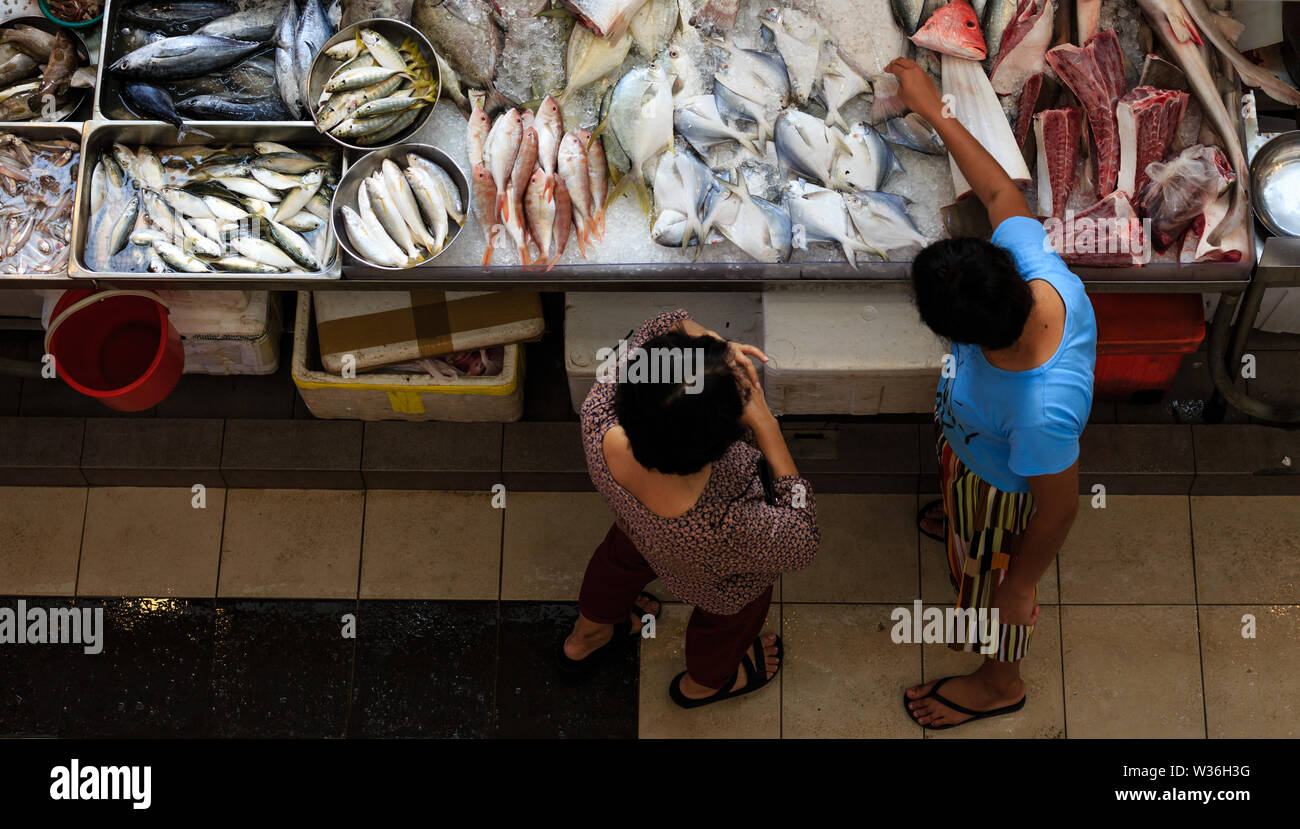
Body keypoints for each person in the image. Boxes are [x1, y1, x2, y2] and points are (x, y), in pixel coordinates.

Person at [886, 57, 1097, 729]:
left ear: (964, 339)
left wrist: (1022, 581)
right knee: (964, 517)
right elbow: (1002, 195)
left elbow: (1058, 511)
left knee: (991, 591)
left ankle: (999, 679)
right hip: (973, 451)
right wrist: (935, 110)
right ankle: (955, 518)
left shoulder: (1040, 412)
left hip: (1005, 498)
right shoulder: (1031, 268)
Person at [559, 310, 820, 708]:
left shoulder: (599, 411)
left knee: (617, 563)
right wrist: (768, 428)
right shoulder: (727, 523)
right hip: (711, 581)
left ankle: (586, 637)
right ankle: (704, 684)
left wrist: (714, 354)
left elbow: (662, 323)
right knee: (727, 623)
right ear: (724, 440)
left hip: (636, 528)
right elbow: (802, 537)